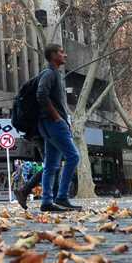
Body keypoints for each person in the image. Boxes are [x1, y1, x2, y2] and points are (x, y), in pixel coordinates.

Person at [36, 44, 81, 212]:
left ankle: (47, 201)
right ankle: (62, 196)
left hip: (49, 124)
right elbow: (41, 94)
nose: (65, 55)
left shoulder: (54, 74)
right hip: (54, 124)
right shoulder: (49, 73)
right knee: (73, 157)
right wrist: (57, 117)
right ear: (53, 55)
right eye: (62, 52)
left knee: (50, 165)